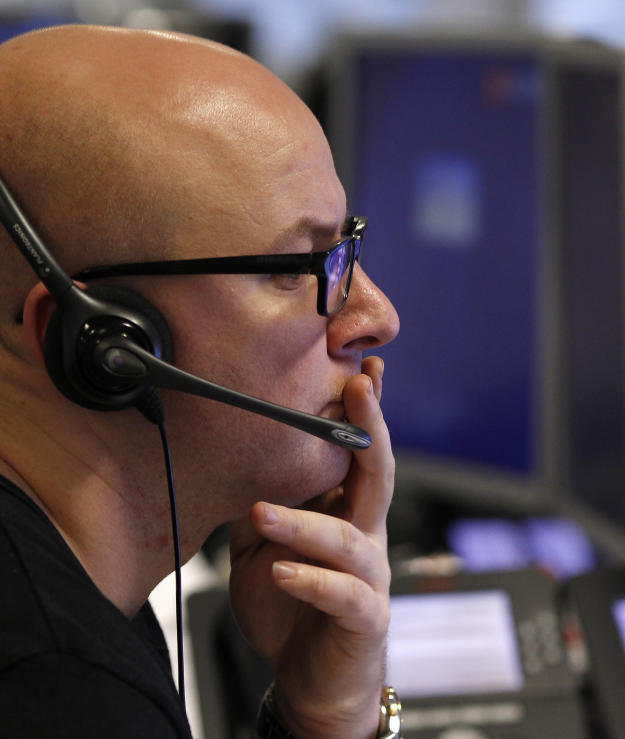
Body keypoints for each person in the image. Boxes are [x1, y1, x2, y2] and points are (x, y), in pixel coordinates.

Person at [0, 24, 401, 738]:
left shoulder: (72, 594)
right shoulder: (57, 688)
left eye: (347, 246)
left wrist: (321, 714)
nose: (376, 316)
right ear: (102, 340)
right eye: (299, 267)